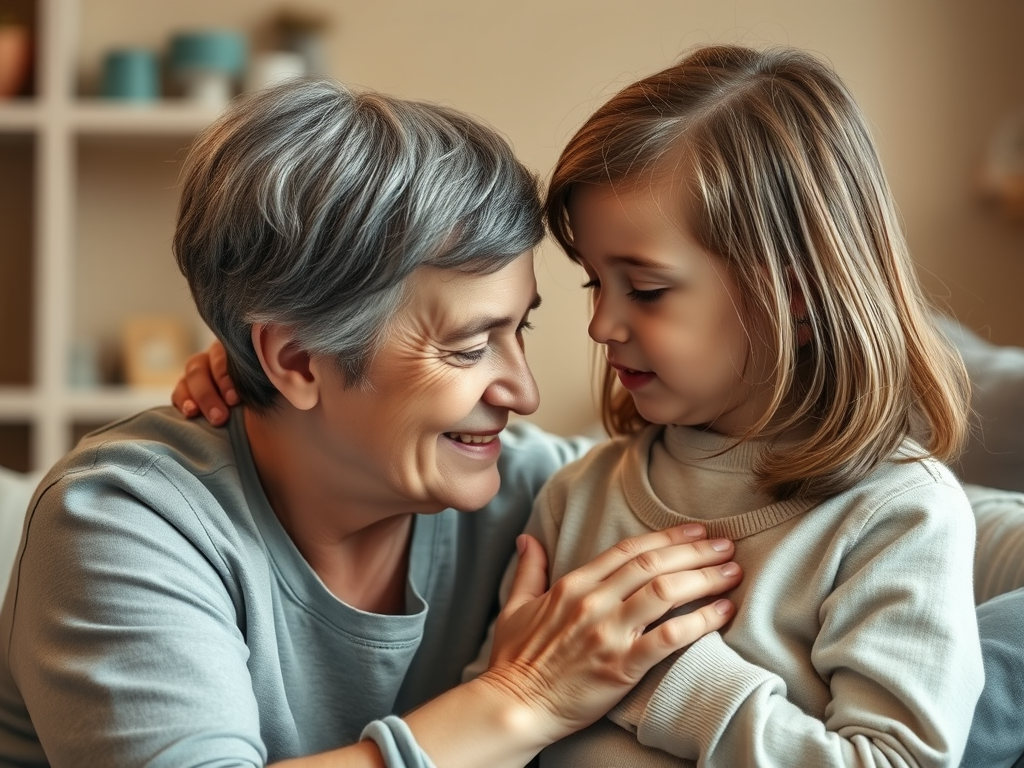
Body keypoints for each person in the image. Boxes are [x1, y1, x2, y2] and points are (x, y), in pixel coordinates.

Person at [0, 78, 747, 768]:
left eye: (521, 330)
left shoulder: (539, 496)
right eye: (467, 347)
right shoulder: (123, 520)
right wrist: (524, 698)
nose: (522, 391)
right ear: (296, 361)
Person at [491, 43, 983, 766]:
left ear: (796, 295)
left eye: (647, 289)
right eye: (596, 283)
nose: (601, 326)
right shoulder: (577, 497)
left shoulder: (898, 518)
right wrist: (517, 683)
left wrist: (665, 677)